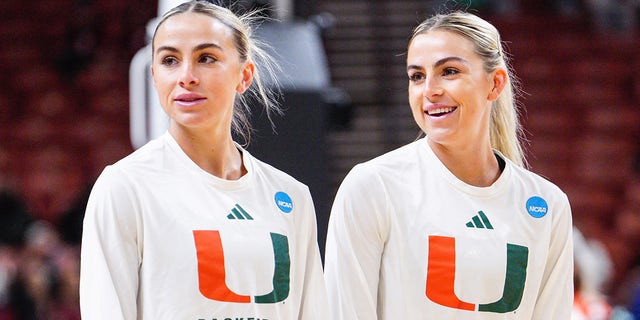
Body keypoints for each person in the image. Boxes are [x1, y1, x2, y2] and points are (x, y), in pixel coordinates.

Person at [79, 1, 328, 319]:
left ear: (244, 75)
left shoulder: (291, 197)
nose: (186, 76)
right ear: (154, 76)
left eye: (206, 58)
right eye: (170, 60)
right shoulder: (126, 187)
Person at [324, 11, 574, 319]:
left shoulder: (547, 205)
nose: (430, 90)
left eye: (450, 71)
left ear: (494, 84)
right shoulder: (373, 187)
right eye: (416, 76)